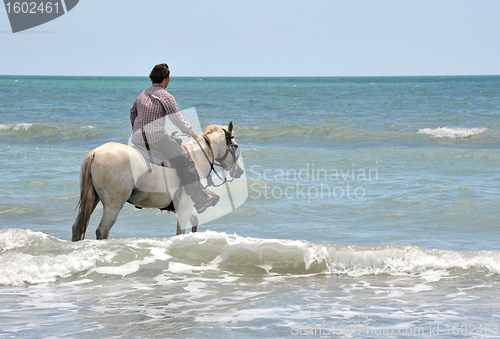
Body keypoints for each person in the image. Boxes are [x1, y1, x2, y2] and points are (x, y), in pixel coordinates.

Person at [130, 63, 219, 213]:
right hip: (156, 139)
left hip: (138, 139)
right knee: (187, 163)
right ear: (166, 79)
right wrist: (192, 133)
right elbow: (177, 118)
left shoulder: (143, 94)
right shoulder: (166, 96)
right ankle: (199, 200)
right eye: (169, 77)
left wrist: (137, 130)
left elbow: (132, 112)